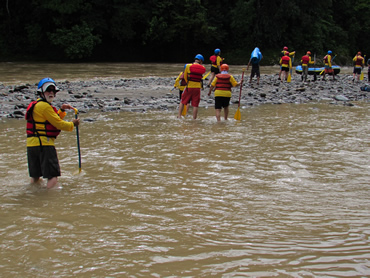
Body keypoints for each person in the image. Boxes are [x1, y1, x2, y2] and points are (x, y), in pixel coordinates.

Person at [26, 77, 80, 189]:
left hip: (32, 146)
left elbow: (51, 121)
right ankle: (48, 199)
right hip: (44, 146)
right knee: (53, 177)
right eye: (48, 90)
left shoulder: (36, 105)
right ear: (41, 92)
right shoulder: (45, 107)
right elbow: (59, 124)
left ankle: (32, 196)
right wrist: (72, 124)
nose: (51, 93)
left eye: (53, 90)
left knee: (36, 176)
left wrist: (62, 110)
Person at [178, 54, 206, 119]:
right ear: (201, 61)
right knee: (195, 104)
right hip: (197, 88)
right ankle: (194, 119)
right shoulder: (203, 68)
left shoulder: (188, 66)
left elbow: (185, 76)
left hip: (189, 86)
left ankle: (179, 116)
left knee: (182, 101)